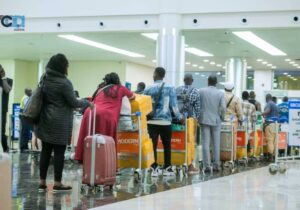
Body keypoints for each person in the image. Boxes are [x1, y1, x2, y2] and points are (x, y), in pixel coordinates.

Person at [35, 53, 92, 192]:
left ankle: (42, 182)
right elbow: (74, 102)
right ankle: (57, 183)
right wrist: (87, 102)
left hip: (45, 119)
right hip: (59, 121)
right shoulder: (65, 82)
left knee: (45, 152)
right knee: (59, 152)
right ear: (63, 66)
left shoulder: (45, 78)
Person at [75, 73, 135, 164]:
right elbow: (132, 97)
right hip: (107, 114)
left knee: (90, 137)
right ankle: (104, 163)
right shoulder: (121, 88)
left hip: (90, 112)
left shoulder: (101, 89)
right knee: (105, 140)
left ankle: (86, 160)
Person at [144, 67, 183, 177]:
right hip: (165, 121)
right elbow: (174, 106)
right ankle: (167, 168)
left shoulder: (148, 88)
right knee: (167, 145)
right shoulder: (170, 88)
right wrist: (180, 117)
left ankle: (154, 167)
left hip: (151, 121)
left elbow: (145, 106)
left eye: (153, 74)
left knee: (153, 145)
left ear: (156, 74)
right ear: (163, 75)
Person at [195, 75, 226, 172]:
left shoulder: (201, 91)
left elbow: (197, 104)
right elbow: (223, 107)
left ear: (208, 81)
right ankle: (216, 165)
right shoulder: (220, 93)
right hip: (216, 119)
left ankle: (207, 166)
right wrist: (222, 117)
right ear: (216, 82)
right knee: (216, 143)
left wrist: (198, 116)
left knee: (205, 143)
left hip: (204, 119)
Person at [176, 74, 199, 174]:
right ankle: (189, 166)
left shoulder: (177, 89)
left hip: (177, 119)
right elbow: (197, 109)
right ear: (192, 80)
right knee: (189, 143)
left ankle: (177, 162)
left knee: (177, 141)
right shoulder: (195, 91)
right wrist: (196, 121)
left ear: (183, 80)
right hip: (189, 121)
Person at [224, 82, 243, 161]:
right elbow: (239, 111)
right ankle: (232, 157)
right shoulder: (236, 98)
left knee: (222, 138)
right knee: (233, 139)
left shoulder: (221, 96)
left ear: (224, 88)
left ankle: (222, 155)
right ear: (232, 89)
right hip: (233, 121)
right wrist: (241, 119)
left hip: (222, 120)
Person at [262, 94, 279, 161]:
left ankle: (270, 156)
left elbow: (267, 111)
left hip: (269, 124)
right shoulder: (275, 105)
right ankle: (275, 156)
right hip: (276, 124)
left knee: (270, 140)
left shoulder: (269, 103)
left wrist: (262, 113)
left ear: (267, 98)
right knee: (275, 141)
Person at [0, 64, 13, 153]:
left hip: (2, 111)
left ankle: (5, 148)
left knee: (1, 131)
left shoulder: (8, 81)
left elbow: (7, 90)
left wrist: (3, 77)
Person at [19, 88, 33, 152]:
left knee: (25, 131)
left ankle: (25, 146)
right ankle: (23, 147)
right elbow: (28, 107)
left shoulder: (26, 97)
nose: (32, 92)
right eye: (30, 91)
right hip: (24, 116)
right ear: (27, 92)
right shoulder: (26, 98)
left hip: (24, 116)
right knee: (25, 132)